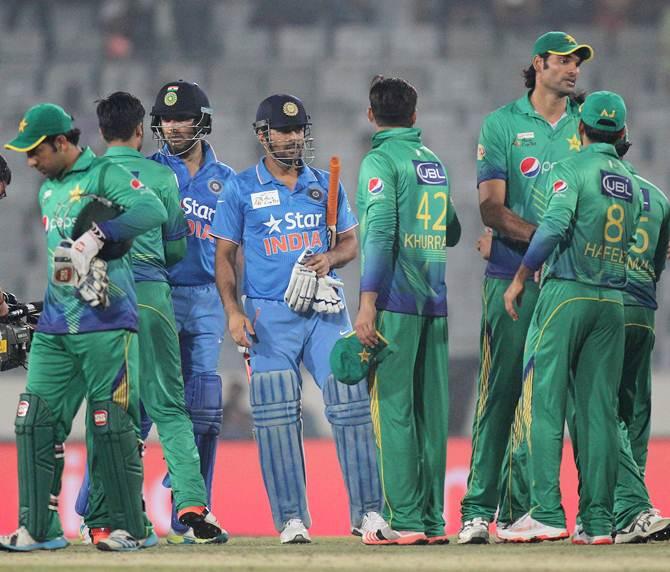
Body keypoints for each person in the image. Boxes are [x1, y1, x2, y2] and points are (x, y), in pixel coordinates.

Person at [212, 93, 383, 544]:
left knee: (351, 404)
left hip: (326, 311)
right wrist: (233, 312)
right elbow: (225, 257)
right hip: (270, 315)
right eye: (282, 130)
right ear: (262, 135)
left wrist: (330, 258)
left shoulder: (326, 185)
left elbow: (349, 243)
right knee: (274, 413)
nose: (292, 137)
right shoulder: (240, 188)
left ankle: (368, 514)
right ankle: (292, 519)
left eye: (297, 129)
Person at [0, 103, 167, 551]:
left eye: (36, 151)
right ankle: (38, 528)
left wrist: (99, 236)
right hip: (57, 327)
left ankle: (130, 528)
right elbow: (64, 263)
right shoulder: (47, 192)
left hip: (108, 323)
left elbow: (151, 210)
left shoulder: (104, 173)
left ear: (62, 142)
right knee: (34, 420)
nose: (29, 162)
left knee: (110, 425)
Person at [74, 92, 228, 545]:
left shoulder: (86, 176)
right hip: (155, 295)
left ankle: (99, 515)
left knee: (109, 409)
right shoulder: (161, 176)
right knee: (171, 410)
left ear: (102, 132)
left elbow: (71, 243)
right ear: (142, 130)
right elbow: (177, 246)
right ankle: (193, 506)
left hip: (104, 298)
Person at [459, 31, 594, 544]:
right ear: (538, 63)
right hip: (510, 281)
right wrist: (547, 240)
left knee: (569, 401)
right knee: (500, 395)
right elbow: (491, 209)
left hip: (569, 284)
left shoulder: (587, 126)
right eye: (564, 60)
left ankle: (561, 512)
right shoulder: (502, 125)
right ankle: (476, 511)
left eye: (578, 62)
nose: (574, 70)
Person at [501, 91, 641, 544]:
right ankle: (598, 521)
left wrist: (521, 276)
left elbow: (553, 228)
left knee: (545, 402)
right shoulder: (632, 182)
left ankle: (546, 512)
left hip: (566, 294)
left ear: (580, 128)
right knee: (599, 412)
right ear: (621, 134)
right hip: (613, 303)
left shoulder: (570, 170)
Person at [354, 76, 461, 546]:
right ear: (415, 117)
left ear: (372, 116)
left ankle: (408, 520)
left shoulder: (379, 161)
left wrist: (366, 304)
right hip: (434, 306)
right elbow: (452, 230)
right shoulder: (433, 163)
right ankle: (434, 521)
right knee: (430, 416)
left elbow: (378, 235)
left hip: (395, 303)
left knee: (394, 410)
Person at [568, 131, 670, 544]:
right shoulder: (658, 197)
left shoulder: (592, 181)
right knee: (632, 413)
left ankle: (630, 509)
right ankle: (625, 512)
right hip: (644, 311)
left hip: (605, 302)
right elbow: (663, 256)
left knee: (598, 412)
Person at [148, 80, 236, 542]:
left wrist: (240, 306)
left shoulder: (229, 179)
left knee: (203, 410)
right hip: (155, 295)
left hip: (204, 299)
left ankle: (197, 511)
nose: (173, 126)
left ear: (201, 121)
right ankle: (95, 509)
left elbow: (237, 250)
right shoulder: (144, 172)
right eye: (165, 119)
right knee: (139, 408)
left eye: (182, 117)